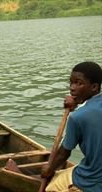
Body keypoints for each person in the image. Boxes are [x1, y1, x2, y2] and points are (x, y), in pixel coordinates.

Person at [41, 61, 102, 192]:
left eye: (79, 83)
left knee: (50, 186)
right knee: (65, 173)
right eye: (71, 82)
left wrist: (48, 170)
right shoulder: (84, 111)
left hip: (93, 182)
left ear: (94, 87)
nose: (72, 88)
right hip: (94, 170)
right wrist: (77, 104)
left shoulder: (77, 117)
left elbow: (64, 153)